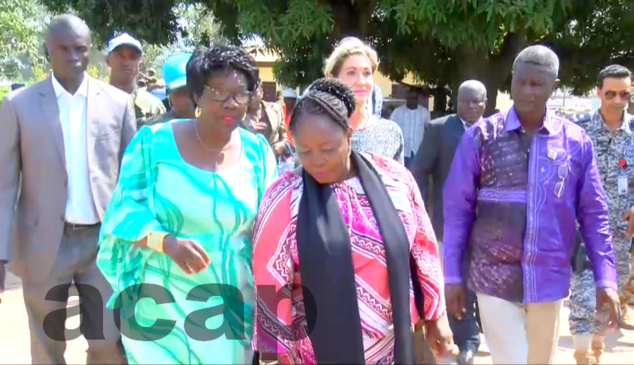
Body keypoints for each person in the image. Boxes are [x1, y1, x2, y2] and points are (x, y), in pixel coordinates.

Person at [96, 44, 277, 365]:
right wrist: (166, 242)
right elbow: (123, 213)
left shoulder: (258, 153)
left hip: (229, 310)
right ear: (196, 95)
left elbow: (272, 234)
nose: (231, 103)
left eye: (240, 93)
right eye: (219, 92)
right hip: (160, 308)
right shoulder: (153, 145)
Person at [252, 78, 453, 364]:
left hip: (389, 347)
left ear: (348, 135)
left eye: (328, 148)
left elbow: (423, 249)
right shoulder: (284, 195)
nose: (317, 160)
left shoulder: (395, 180)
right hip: (314, 351)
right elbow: (270, 277)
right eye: (305, 151)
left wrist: (436, 317)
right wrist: (276, 354)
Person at [443, 45, 621, 365]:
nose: (527, 90)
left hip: (548, 279)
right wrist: (452, 275)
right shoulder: (481, 136)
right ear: (511, 81)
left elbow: (594, 215)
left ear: (553, 84)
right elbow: (457, 209)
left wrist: (606, 278)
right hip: (492, 276)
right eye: (520, 82)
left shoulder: (574, 141)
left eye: (536, 84)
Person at [0, 14, 135, 364]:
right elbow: (5, 183)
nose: (74, 56)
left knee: (108, 342)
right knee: (48, 346)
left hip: (102, 243)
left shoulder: (118, 104)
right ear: (48, 48)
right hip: (45, 244)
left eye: (81, 49)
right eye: (64, 48)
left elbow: (133, 180)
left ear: (91, 51)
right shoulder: (19, 106)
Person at [412, 79, 488, 365]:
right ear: (457, 101)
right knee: (451, 283)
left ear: (485, 103)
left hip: (486, 224)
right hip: (447, 223)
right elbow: (419, 170)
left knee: (476, 283)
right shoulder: (440, 129)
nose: (471, 106)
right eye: (466, 101)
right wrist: (422, 211)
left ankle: (471, 336)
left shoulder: (494, 131)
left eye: (477, 101)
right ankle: (459, 341)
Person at [568, 64, 634, 364]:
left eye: (624, 94)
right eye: (611, 94)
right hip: (582, 230)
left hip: (620, 234)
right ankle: (582, 355)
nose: (618, 100)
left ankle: (595, 345)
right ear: (599, 93)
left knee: (611, 293)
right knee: (582, 294)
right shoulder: (577, 130)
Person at [324, 38, 404, 163]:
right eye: (351, 73)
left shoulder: (390, 133)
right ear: (331, 79)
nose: (361, 81)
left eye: (367, 73)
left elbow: (399, 182)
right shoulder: (318, 132)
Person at [106, 32, 165, 125]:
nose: (127, 62)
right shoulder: (94, 103)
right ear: (108, 60)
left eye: (133, 57)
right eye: (121, 55)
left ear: (139, 64)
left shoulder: (153, 107)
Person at [146, 52, 196, 125]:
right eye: (182, 93)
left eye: (194, 90)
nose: (189, 99)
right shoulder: (156, 129)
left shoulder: (214, 124)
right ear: (168, 94)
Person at [245, 80, 289, 157]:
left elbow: (285, 138)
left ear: (261, 91)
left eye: (254, 91)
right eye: (247, 92)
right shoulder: (238, 115)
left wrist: (281, 145)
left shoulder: (276, 109)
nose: (251, 95)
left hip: (274, 161)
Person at [390, 87, 431, 168]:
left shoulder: (425, 113)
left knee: (414, 177)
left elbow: (429, 132)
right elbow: (391, 130)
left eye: (415, 98)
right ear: (406, 98)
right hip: (401, 151)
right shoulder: (397, 112)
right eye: (410, 98)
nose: (413, 100)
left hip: (417, 152)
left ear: (418, 99)